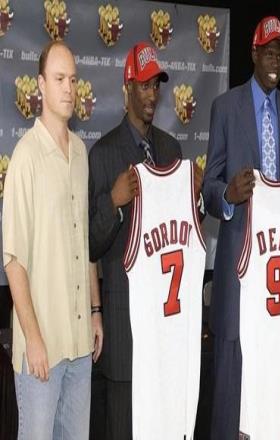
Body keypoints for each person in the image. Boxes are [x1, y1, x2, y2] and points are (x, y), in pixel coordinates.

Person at [202, 15, 280, 439]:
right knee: (231, 394)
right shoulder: (225, 107)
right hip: (237, 271)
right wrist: (227, 195)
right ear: (253, 54)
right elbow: (208, 187)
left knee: (273, 385)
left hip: (276, 280)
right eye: (268, 52)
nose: (274, 61)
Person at [88, 42, 201, 439]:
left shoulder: (170, 149)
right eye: (144, 86)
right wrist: (115, 203)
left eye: (156, 86)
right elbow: (90, 246)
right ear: (127, 89)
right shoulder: (103, 154)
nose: (152, 95)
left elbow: (184, 231)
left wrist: (196, 200)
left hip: (167, 328)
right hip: (126, 333)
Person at [2, 40, 102, 440]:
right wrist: (33, 337)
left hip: (79, 345)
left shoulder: (80, 153)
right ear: (41, 85)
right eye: (59, 79)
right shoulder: (25, 157)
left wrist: (95, 311)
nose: (68, 89)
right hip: (42, 346)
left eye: (73, 80)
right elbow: (13, 260)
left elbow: (84, 244)